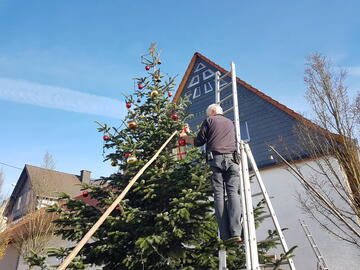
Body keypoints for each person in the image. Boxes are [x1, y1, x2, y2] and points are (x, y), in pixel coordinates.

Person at [181, 104, 242, 243]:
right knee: (233, 193)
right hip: (233, 160)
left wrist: (185, 137)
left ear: (213, 112)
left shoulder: (209, 121)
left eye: (208, 114)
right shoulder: (231, 123)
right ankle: (236, 232)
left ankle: (225, 235)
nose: (207, 116)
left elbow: (198, 142)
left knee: (219, 195)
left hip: (216, 160)